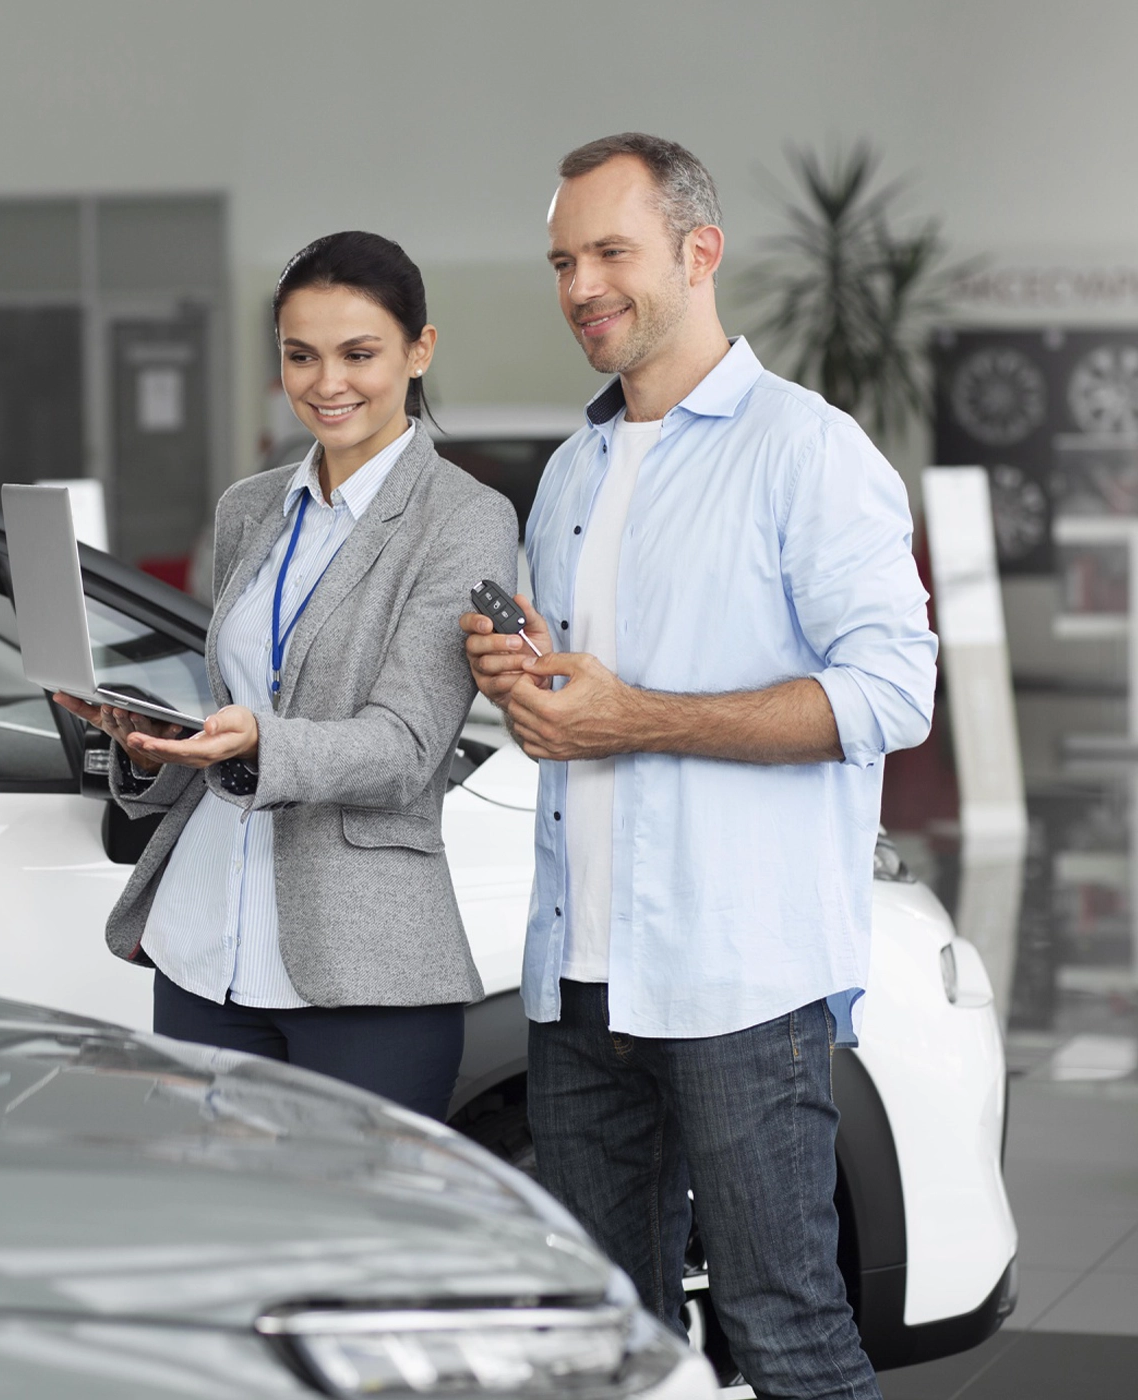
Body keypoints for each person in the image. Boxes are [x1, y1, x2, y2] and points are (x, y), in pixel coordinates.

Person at [460, 134, 936, 1400]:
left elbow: (894, 690)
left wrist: (634, 716)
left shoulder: (807, 449)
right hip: (578, 983)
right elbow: (579, 703)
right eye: (563, 261)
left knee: (789, 1331)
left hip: (741, 980)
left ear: (698, 252)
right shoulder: (574, 466)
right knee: (609, 1348)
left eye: (611, 252)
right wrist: (520, 675)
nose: (581, 286)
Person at [55, 230, 517, 1120]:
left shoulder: (465, 519)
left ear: (419, 350)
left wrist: (260, 743)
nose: (326, 382)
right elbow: (237, 699)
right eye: (301, 355)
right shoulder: (250, 507)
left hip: (361, 971)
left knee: (359, 1212)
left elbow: (404, 746)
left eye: (358, 354)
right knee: (209, 1204)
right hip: (203, 947)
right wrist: (154, 743)